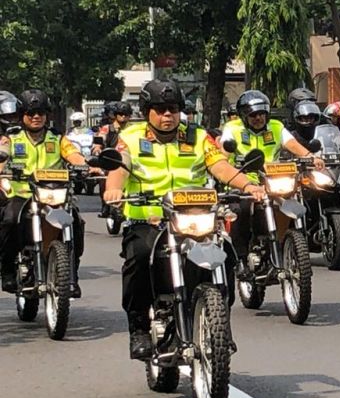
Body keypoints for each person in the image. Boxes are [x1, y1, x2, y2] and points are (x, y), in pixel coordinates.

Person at [103, 80, 267, 359]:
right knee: (139, 257)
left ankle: (219, 324)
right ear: (147, 111)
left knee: (226, 256)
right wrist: (113, 189)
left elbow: (220, 166)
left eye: (174, 109)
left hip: (195, 218)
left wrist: (248, 186)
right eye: (161, 109)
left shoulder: (199, 136)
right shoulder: (130, 137)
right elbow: (120, 167)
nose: (168, 115)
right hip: (149, 220)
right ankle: (139, 327)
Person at [0, 90, 91, 296]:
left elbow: (73, 154)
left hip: (54, 196)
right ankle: (6, 271)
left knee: (75, 221)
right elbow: (2, 154)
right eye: (31, 113)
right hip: (22, 195)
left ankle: (71, 275)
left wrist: (86, 166)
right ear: (22, 115)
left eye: (40, 112)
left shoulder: (57, 138)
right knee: (9, 219)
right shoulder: (11, 138)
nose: (36, 117)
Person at [219, 90, 323, 268]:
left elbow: (291, 143)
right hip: (244, 182)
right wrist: (225, 161)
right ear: (244, 116)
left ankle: (281, 241)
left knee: (288, 200)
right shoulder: (233, 128)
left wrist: (311, 157)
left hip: (272, 181)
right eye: (253, 115)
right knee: (240, 210)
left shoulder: (276, 126)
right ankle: (242, 256)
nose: (258, 118)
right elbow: (223, 153)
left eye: (262, 114)